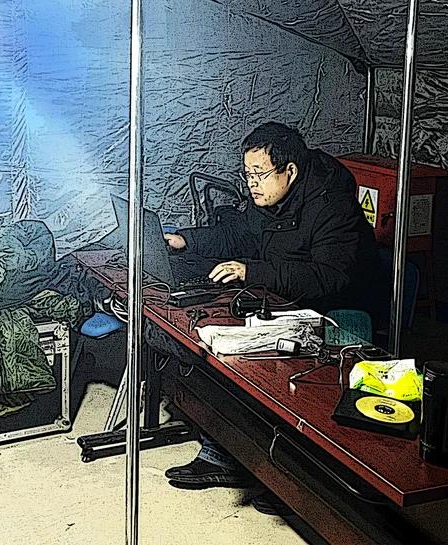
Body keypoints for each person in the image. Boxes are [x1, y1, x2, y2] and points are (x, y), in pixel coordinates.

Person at [161, 122, 383, 512]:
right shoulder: (270, 195)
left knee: (247, 360)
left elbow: (330, 277)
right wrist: (186, 239)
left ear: (290, 171)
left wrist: (252, 271)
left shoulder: (331, 204)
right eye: (247, 174)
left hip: (337, 314)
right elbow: (238, 233)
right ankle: (229, 454)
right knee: (212, 339)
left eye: (259, 174)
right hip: (284, 298)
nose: (252, 184)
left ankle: (291, 476)